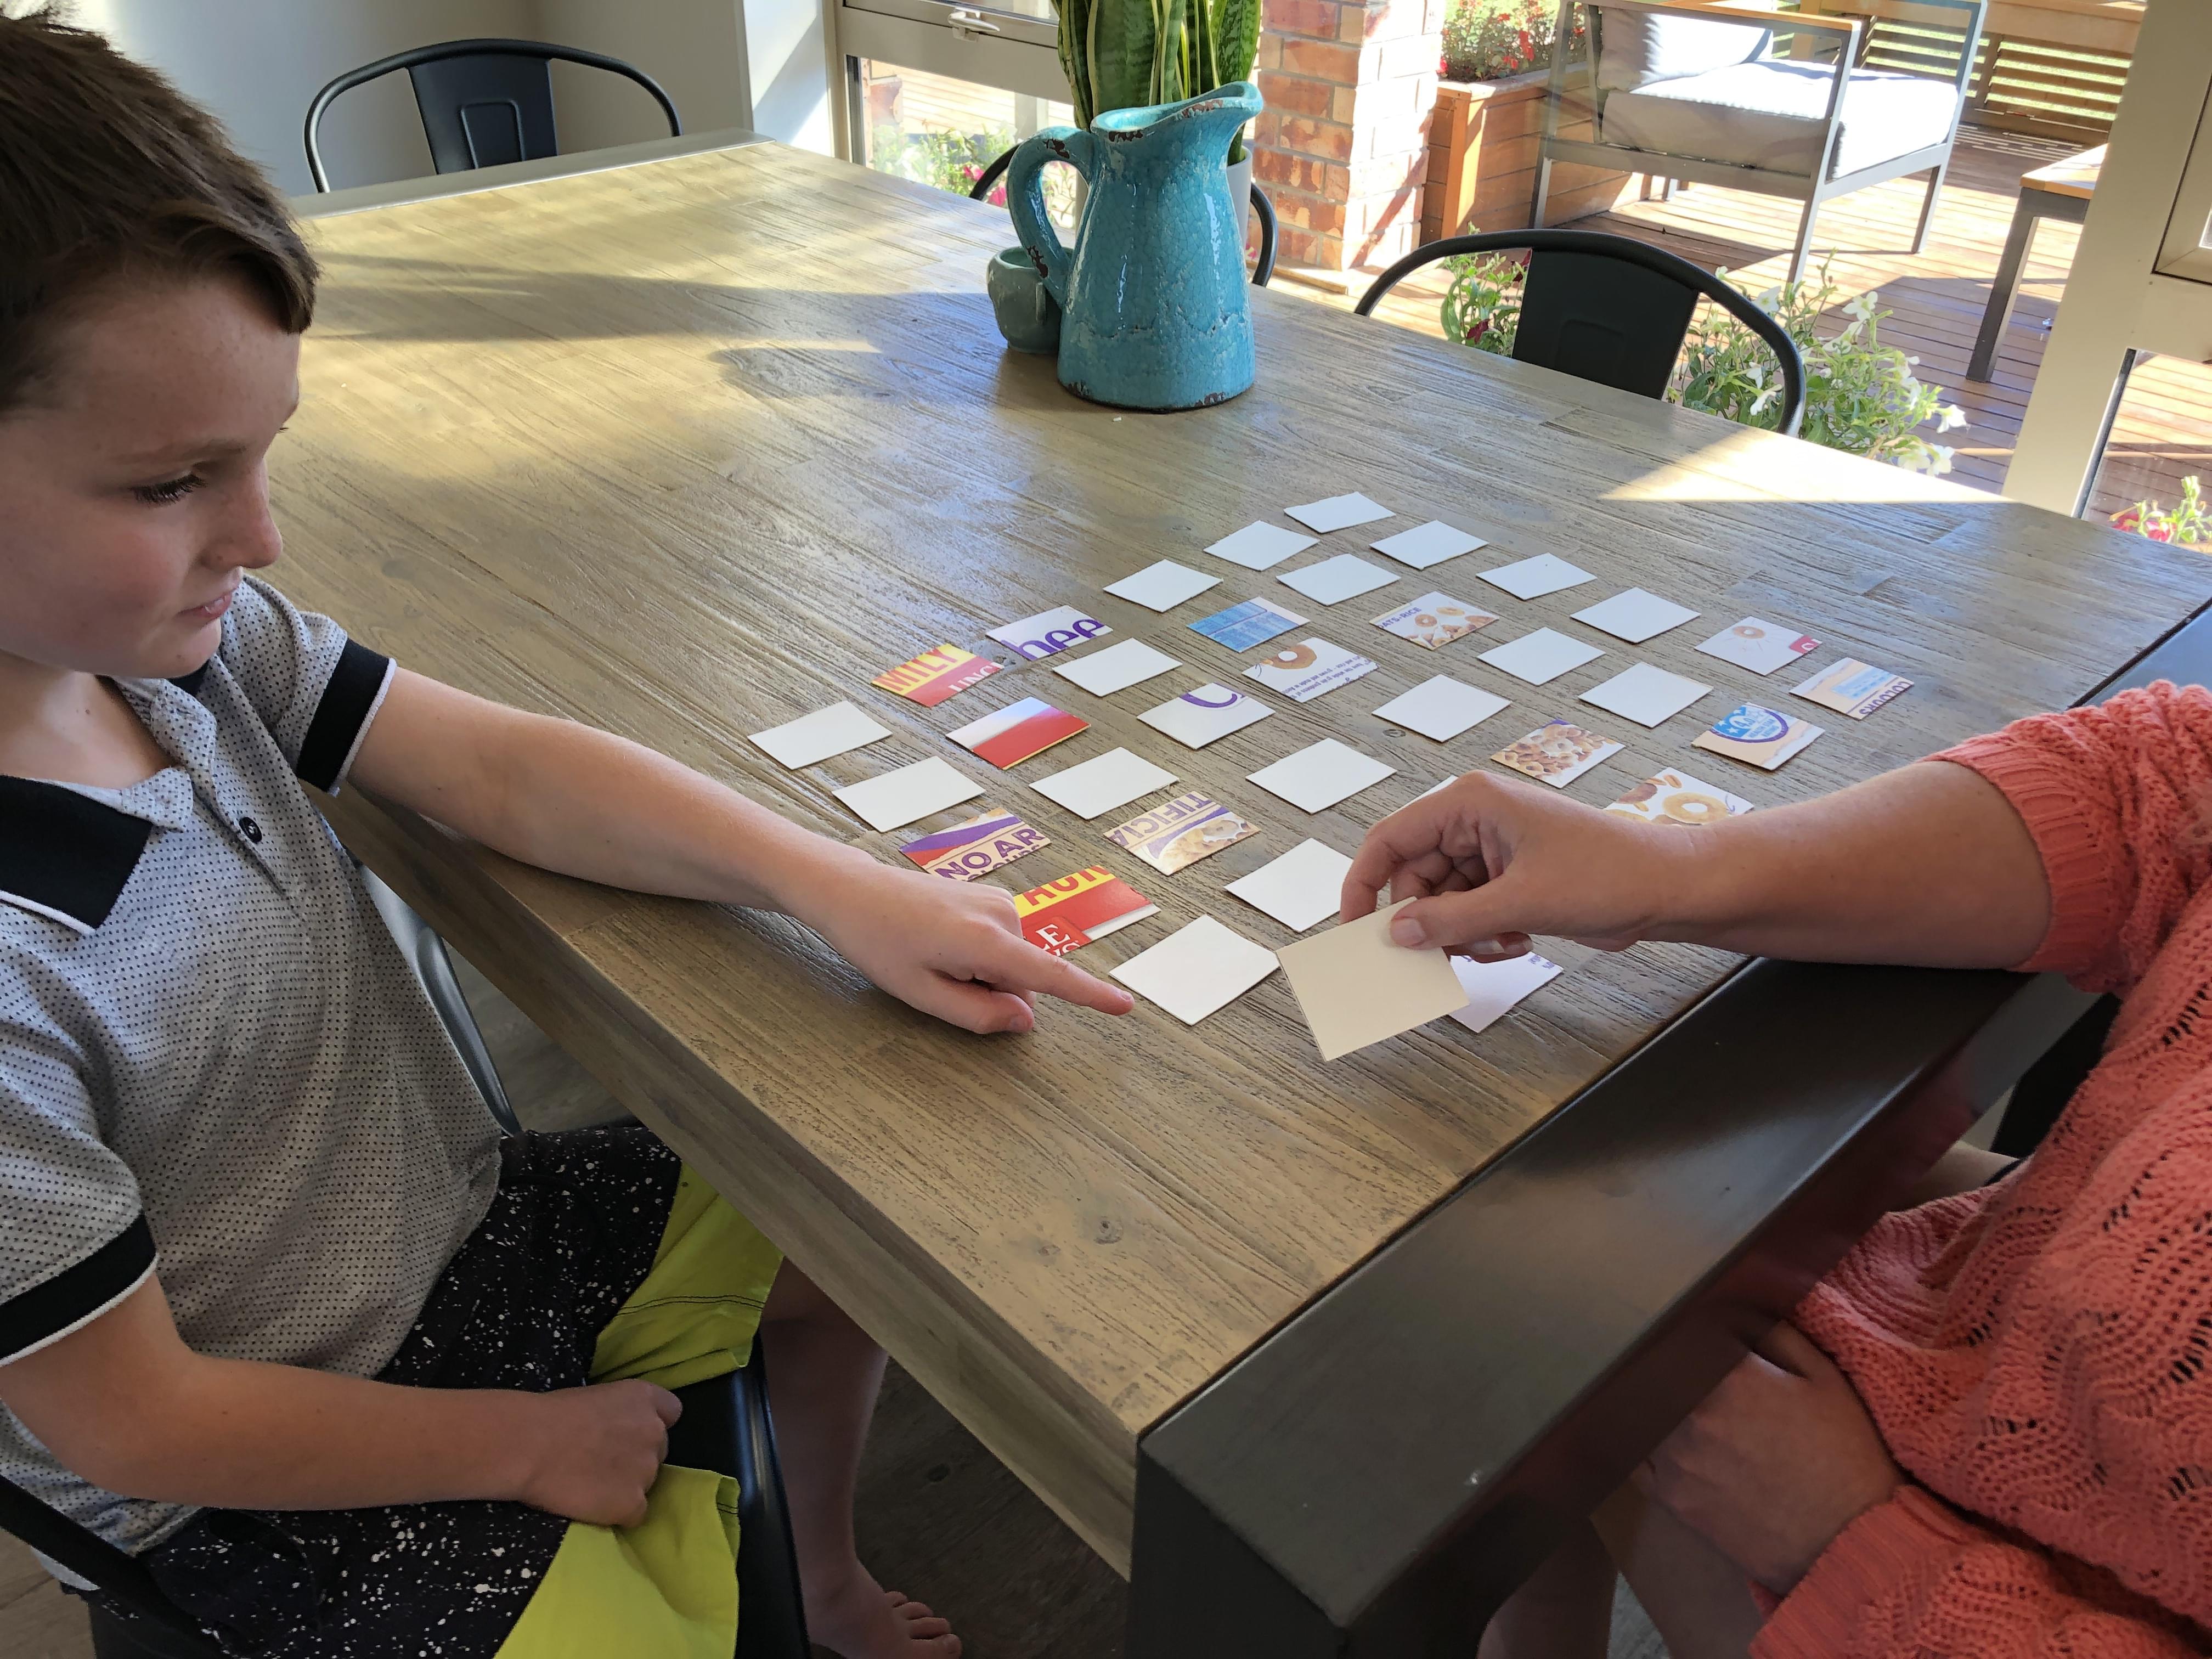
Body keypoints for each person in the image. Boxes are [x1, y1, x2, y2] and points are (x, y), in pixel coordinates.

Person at [0, 13, 1133, 1657]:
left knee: (860, 1228)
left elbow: (504, 770)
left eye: (263, 457)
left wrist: (829, 885)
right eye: (173, 482)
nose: (260, 535)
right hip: (261, 1476)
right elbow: (137, 1425)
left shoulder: (181, 646)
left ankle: (815, 1580)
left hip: (452, 1231)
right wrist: (522, 1444)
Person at [1341, 697, 2212, 1657]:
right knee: (1564, 1211)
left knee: (1528, 1297)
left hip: (1974, 1574)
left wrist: (1848, 1538)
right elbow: (2156, 786)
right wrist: (1667, 868)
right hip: (2044, 1270)